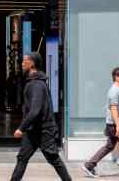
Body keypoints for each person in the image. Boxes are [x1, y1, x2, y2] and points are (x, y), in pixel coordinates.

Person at [10, 52, 72, 181]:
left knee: (53, 158)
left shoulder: (37, 85)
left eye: (25, 61)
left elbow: (35, 111)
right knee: (22, 158)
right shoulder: (33, 82)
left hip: (44, 130)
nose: (22, 63)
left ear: (32, 64)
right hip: (32, 131)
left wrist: (21, 128)